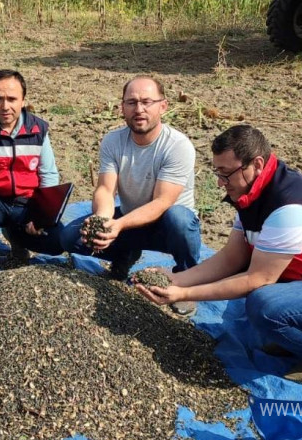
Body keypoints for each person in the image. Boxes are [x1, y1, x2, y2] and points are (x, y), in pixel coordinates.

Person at [134, 124, 302, 384]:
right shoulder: (253, 193)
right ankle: (297, 336)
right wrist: (176, 278)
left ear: (256, 165)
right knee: (253, 288)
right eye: (218, 172)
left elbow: (258, 279)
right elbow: (231, 258)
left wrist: (183, 295)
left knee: (264, 304)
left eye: (226, 173)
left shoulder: (289, 209)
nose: (220, 182)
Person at [61, 76, 201, 314]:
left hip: (167, 226)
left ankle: (185, 278)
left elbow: (162, 202)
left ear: (163, 106)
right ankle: (124, 256)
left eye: (147, 102)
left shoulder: (177, 145)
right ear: (122, 107)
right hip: (130, 221)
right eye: (132, 102)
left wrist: (119, 225)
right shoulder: (113, 141)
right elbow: (106, 189)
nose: (139, 109)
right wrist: (104, 221)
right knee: (69, 237)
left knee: (180, 219)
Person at [0, 69, 64, 276]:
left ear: (23, 100)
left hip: (27, 201)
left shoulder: (39, 129)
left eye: (12, 99)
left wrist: (42, 214)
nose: (5, 106)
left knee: (57, 242)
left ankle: (17, 236)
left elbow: (49, 174)